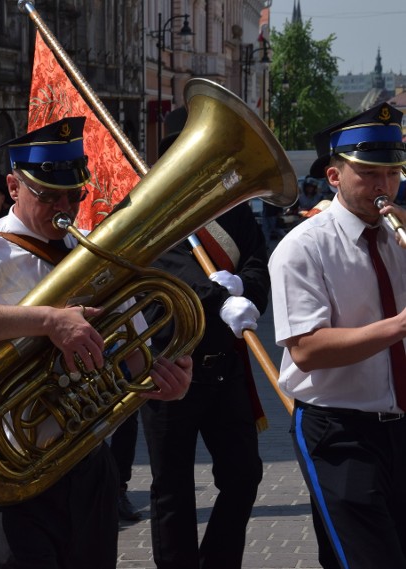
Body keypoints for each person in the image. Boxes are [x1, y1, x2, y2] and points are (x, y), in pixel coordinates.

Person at [0, 117, 193, 569]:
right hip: (8, 458)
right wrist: (47, 320)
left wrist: (163, 379)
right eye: (49, 196)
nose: (64, 206)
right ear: (13, 186)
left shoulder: (92, 253)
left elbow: (133, 354)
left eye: (75, 195)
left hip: (87, 459)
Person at [269, 102, 406, 569]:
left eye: (392, 173)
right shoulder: (303, 248)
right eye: (367, 173)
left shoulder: (398, 235)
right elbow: (306, 350)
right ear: (334, 176)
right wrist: (400, 325)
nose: (382, 186)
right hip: (340, 429)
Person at [138, 107, 267, 569]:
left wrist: (247, 293)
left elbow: (256, 261)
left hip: (225, 368)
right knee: (172, 488)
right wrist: (215, 294)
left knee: (245, 474)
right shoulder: (143, 211)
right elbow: (151, 282)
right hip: (168, 367)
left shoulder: (229, 212)